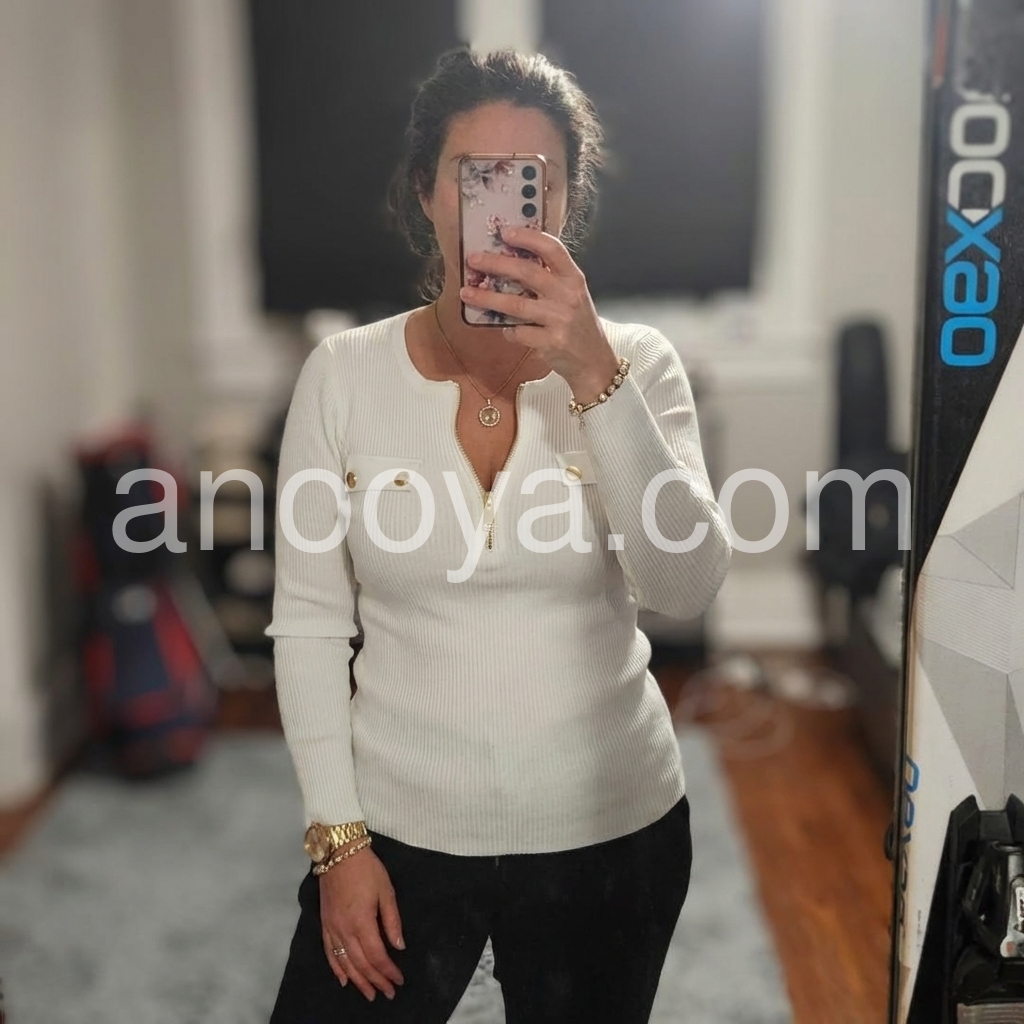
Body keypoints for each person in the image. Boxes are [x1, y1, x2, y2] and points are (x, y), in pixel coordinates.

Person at [266, 46, 732, 1024]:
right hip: (397, 826)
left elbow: (683, 587)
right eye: (474, 177)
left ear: (562, 201)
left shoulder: (636, 365)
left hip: (609, 830)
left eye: (533, 181)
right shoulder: (342, 374)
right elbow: (309, 622)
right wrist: (338, 841)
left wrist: (593, 375)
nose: (504, 208)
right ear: (426, 193)